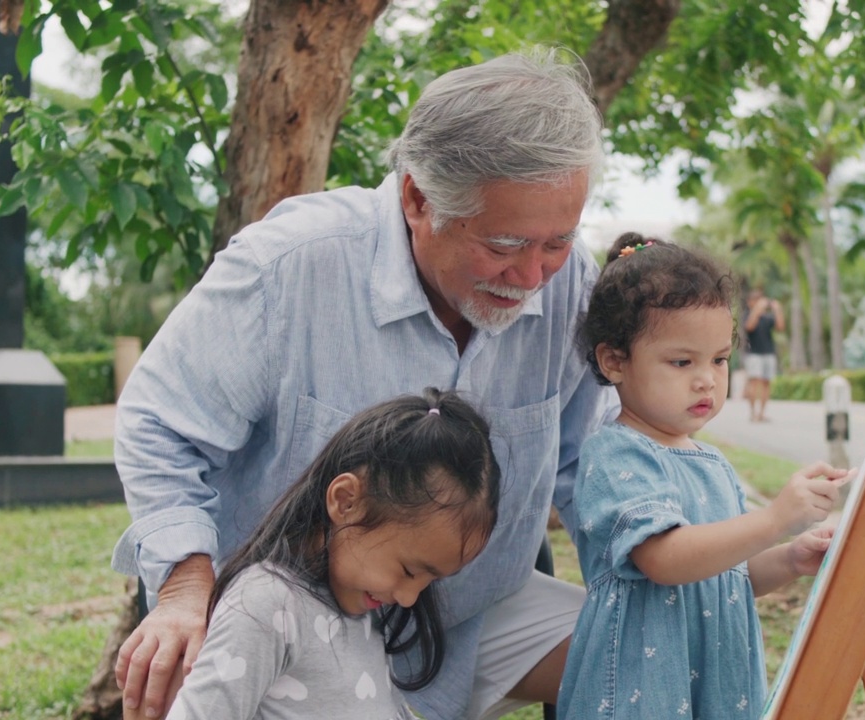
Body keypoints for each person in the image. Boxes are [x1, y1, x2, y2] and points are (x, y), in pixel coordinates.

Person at [111, 49, 615, 720]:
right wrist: (183, 588)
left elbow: (590, 467)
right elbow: (159, 425)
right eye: (502, 244)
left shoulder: (569, 280)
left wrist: (667, 560)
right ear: (416, 197)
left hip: (469, 617)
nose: (533, 278)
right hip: (297, 626)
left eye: (556, 242)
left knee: (652, 650)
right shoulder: (290, 267)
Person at [557, 233, 852, 719]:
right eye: (682, 362)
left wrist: (791, 557)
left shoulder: (713, 465)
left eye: (719, 359)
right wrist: (776, 517)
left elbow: (728, 574)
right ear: (614, 361)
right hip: (641, 690)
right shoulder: (616, 453)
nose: (707, 379)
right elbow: (666, 560)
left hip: (713, 685)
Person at [164, 389, 501, 719]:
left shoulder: (357, 605)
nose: (410, 597)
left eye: (431, 581)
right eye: (410, 571)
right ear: (346, 501)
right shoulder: (266, 603)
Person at [742, 288, 784, 422]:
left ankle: (762, 413)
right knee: (754, 382)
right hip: (754, 354)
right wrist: (757, 309)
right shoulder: (748, 315)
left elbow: (780, 327)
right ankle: (753, 413)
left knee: (766, 383)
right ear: (750, 302)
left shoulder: (767, 317)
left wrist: (777, 309)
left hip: (769, 353)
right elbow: (749, 326)